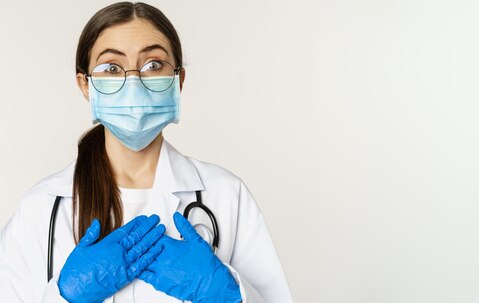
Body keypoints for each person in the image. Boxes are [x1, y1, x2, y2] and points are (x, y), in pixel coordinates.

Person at [0, 2, 292, 302]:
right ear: (85, 85)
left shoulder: (226, 196)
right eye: (111, 68)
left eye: (153, 64)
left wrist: (227, 295)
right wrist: (64, 297)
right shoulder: (42, 208)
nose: (134, 82)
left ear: (178, 80)